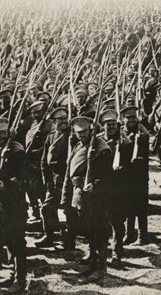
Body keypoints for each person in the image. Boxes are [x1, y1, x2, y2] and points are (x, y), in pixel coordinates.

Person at [61, 116, 112, 282]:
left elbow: (108, 176)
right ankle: (93, 261)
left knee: (99, 231)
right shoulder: (78, 146)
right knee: (88, 229)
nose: (81, 135)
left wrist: (94, 184)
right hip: (81, 196)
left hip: (98, 198)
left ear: (91, 130)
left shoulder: (101, 148)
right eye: (78, 132)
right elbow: (71, 170)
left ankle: (101, 268)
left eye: (84, 131)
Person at [0, 117, 29, 292]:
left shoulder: (16, 150)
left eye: (3, 133)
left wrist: (7, 184)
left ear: (8, 132)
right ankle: (12, 274)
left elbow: (25, 177)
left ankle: (21, 280)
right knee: (6, 240)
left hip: (15, 204)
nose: (0, 136)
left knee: (17, 241)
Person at [38, 106, 78, 250]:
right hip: (54, 180)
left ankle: (69, 241)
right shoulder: (51, 136)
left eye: (65, 118)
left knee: (69, 211)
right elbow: (44, 160)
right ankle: (50, 236)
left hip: (68, 179)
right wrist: (47, 179)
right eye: (59, 119)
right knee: (47, 208)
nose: (63, 121)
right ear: (54, 122)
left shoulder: (73, 136)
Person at [99, 109, 133, 267]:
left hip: (118, 189)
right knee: (99, 223)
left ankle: (117, 254)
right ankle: (99, 252)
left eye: (113, 124)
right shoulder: (98, 140)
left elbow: (130, 165)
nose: (111, 127)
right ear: (103, 126)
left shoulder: (124, 142)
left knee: (117, 224)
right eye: (108, 125)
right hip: (100, 189)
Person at [121, 106, 151, 245]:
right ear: (123, 119)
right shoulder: (121, 133)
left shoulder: (142, 133)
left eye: (134, 117)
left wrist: (139, 140)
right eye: (128, 117)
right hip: (125, 176)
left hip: (140, 177)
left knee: (141, 207)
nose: (131, 120)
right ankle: (129, 234)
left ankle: (142, 236)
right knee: (127, 206)